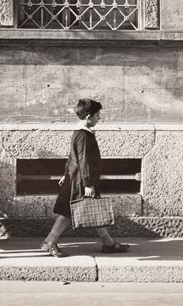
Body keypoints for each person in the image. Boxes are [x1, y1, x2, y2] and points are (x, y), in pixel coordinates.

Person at [41, 98, 130, 257]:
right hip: (80, 180)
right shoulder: (83, 135)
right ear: (89, 116)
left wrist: (65, 174)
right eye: (97, 115)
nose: (99, 118)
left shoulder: (80, 133)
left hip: (76, 177)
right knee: (68, 212)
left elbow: (71, 157)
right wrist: (88, 184)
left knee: (93, 209)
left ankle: (108, 243)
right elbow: (82, 159)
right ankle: (49, 242)